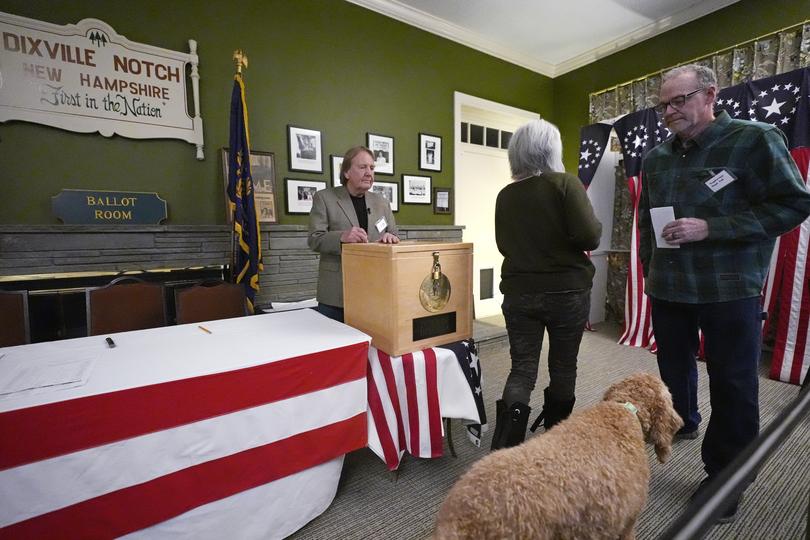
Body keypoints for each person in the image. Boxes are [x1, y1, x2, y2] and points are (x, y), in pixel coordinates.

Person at [639, 64, 810, 523]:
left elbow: (793, 203)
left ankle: (725, 479)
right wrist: (648, 271)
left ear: (710, 94)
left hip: (729, 290)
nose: (669, 111)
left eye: (679, 100)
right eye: (663, 104)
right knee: (672, 372)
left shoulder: (755, 139)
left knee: (733, 384)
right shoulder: (656, 158)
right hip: (669, 288)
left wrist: (711, 228)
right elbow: (645, 223)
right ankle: (684, 420)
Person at [490, 119, 602, 451]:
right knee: (563, 365)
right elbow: (590, 235)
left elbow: (503, 245)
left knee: (522, 368)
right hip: (567, 292)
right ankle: (556, 443)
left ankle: (506, 448)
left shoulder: (505, 195)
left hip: (519, 292)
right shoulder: (565, 184)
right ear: (550, 150)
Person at [308, 145, 399, 322]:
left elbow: (394, 234)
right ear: (347, 172)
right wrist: (341, 237)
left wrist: (391, 238)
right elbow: (314, 239)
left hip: (375, 290)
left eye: (372, 168)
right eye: (362, 167)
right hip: (337, 293)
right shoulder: (324, 198)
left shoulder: (382, 203)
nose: (369, 173)